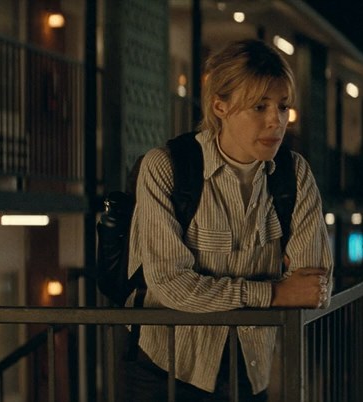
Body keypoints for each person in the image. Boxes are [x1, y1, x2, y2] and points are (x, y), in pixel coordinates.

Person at [124, 39, 333, 401]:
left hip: (249, 368)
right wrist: (273, 292)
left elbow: (313, 286)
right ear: (220, 106)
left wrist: (211, 289)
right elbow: (170, 283)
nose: (277, 121)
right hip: (168, 365)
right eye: (259, 106)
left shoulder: (294, 174)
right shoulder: (166, 167)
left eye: (283, 106)